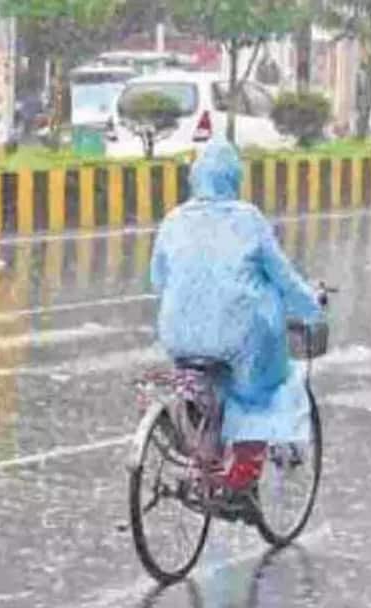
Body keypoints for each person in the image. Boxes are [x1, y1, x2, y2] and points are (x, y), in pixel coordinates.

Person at [150, 138, 322, 493]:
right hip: (236, 339)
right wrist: (311, 308)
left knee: (207, 388)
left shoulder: (173, 219)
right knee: (267, 387)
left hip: (179, 336)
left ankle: (204, 459)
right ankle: (242, 476)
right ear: (234, 178)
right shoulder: (248, 219)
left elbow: (158, 279)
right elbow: (284, 278)